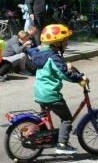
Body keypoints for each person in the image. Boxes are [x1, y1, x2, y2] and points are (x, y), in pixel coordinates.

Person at [31, 24, 89, 154]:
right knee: (67, 118)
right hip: (50, 94)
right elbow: (64, 74)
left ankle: (45, 135)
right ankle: (62, 144)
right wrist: (78, 78)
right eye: (65, 41)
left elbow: (57, 68)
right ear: (56, 43)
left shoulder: (43, 54)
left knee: (45, 117)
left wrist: (66, 66)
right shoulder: (53, 57)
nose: (67, 44)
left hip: (39, 92)